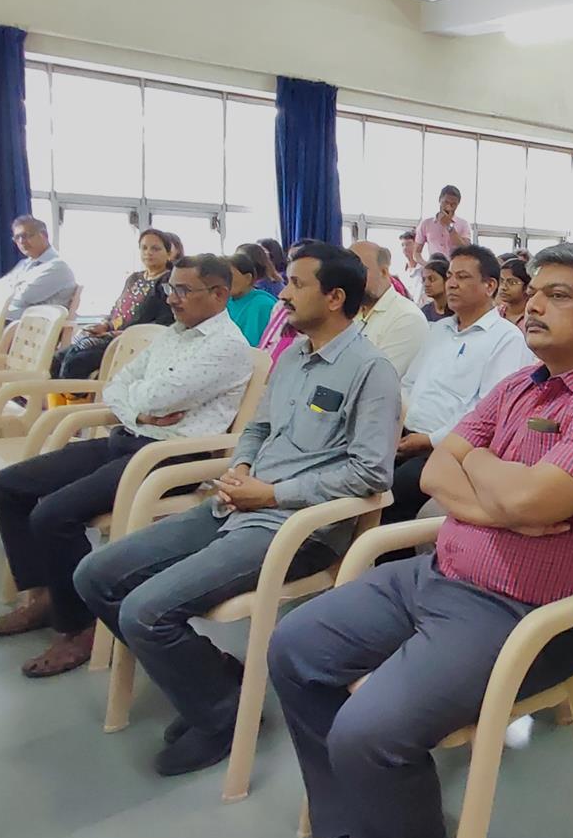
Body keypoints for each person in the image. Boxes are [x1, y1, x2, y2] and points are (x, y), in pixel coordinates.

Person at [262, 244, 573, 838]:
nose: (531, 305)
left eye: (558, 295)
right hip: (440, 575)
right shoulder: (519, 387)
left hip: (527, 616)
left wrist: (483, 471)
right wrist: (497, 496)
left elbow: (532, 497)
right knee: (295, 648)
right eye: (532, 291)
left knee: (368, 730)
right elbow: (438, 471)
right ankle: (362, 832)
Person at [75, 243, 401, 775]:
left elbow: (371, 474)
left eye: (296, 284)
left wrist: (271, 494)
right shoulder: (292, 356)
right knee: (95, 575)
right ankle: (215, 680)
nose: (283, 294)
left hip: (296, 529)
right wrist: (243, 469)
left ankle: (219, 717)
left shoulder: (371, 371)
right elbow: (257, 428)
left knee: (144, 611)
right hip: (237, 504)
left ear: (335, 297)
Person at [0, 254, 257, 678]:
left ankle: (80, 627)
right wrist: (140, 413)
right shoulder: (174, 333)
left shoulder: (228, 347)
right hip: (130, 438)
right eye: (169, 288)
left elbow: (155, 397)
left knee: (53, 515)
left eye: (183, 290)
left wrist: (141, 406)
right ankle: (45, 597)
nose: (171, 298)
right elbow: (118, 388)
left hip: (171, 457)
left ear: (219, 294)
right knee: (7, 486)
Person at [387, 245, 533, 522]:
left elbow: (488, 413)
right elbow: (409, 383)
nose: (452, 284)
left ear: (490, 286)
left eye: (463, 277)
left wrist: (429, 440)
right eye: (450, 276)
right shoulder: (439, 329)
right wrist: (398, 428)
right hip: (405, 436)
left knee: (392, 492)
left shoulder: (506, 338)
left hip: (450, 451)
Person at [52, 229, 175, 380]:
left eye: (155, 249)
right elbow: (117, 310)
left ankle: (74, 396)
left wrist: (117, 334)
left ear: (168, 254)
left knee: (75, 362)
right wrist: (105, 326)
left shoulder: (168, 282)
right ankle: (55, 395)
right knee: (58, 358)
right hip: (109, 337)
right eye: (144, 248)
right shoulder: (134, 278)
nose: (148, 253)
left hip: (131, 343)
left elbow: (164, 323)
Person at [348, 241, 429, 380]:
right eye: (347, 272)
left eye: (358, 271)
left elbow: (374, 381)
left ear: (384, 272)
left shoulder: (407, 318)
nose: (350, 279)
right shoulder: (351, 312)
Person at [0, 216, 77, 317]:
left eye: (25, 236)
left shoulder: (58, 267)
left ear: (44, 235)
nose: (21, 241)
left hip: (38, 325)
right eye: (17, 237)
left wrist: (10, 289)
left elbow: (22, 298)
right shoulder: (23, 264)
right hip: (11, 322)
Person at [226, 250, 277, 346]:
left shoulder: (264, 304)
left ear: (248, 278)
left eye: (230, 276)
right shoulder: (225, 303)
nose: (225, 282)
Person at [415, 185, 471, 260]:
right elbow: (416, 253)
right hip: (434, 264)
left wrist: (448, 226)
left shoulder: (464, 224)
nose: (449, 207)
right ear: (439, 200)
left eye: (453, 204)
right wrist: (426, 264)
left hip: (454, 265)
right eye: (446, 202)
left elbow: (466, 250)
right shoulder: (426, 223)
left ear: (458, 204)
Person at [497, 256, 531, 327]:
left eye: (512, 282)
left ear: (527, 287)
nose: (503, 287)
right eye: (502, 281)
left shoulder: (533, 318)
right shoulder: (496, 314)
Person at [417, 257, 450, 323]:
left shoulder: (459, 312)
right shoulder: (423, 313)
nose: (426, 284)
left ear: (446, 280)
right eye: (424, 280)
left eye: (432, 279)